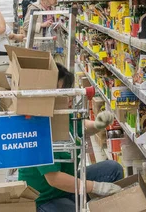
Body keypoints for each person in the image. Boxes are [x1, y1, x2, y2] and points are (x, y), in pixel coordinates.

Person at [18, 64, 123, 212]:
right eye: (63, 91)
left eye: (69, 89)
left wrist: (98, 124)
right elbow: (54, 179)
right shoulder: (37, 126)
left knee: (113, 169)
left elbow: (80, 127)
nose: (70, 96)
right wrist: (96, 187)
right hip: (43, 199)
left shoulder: (61, 114)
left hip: (66, 187)